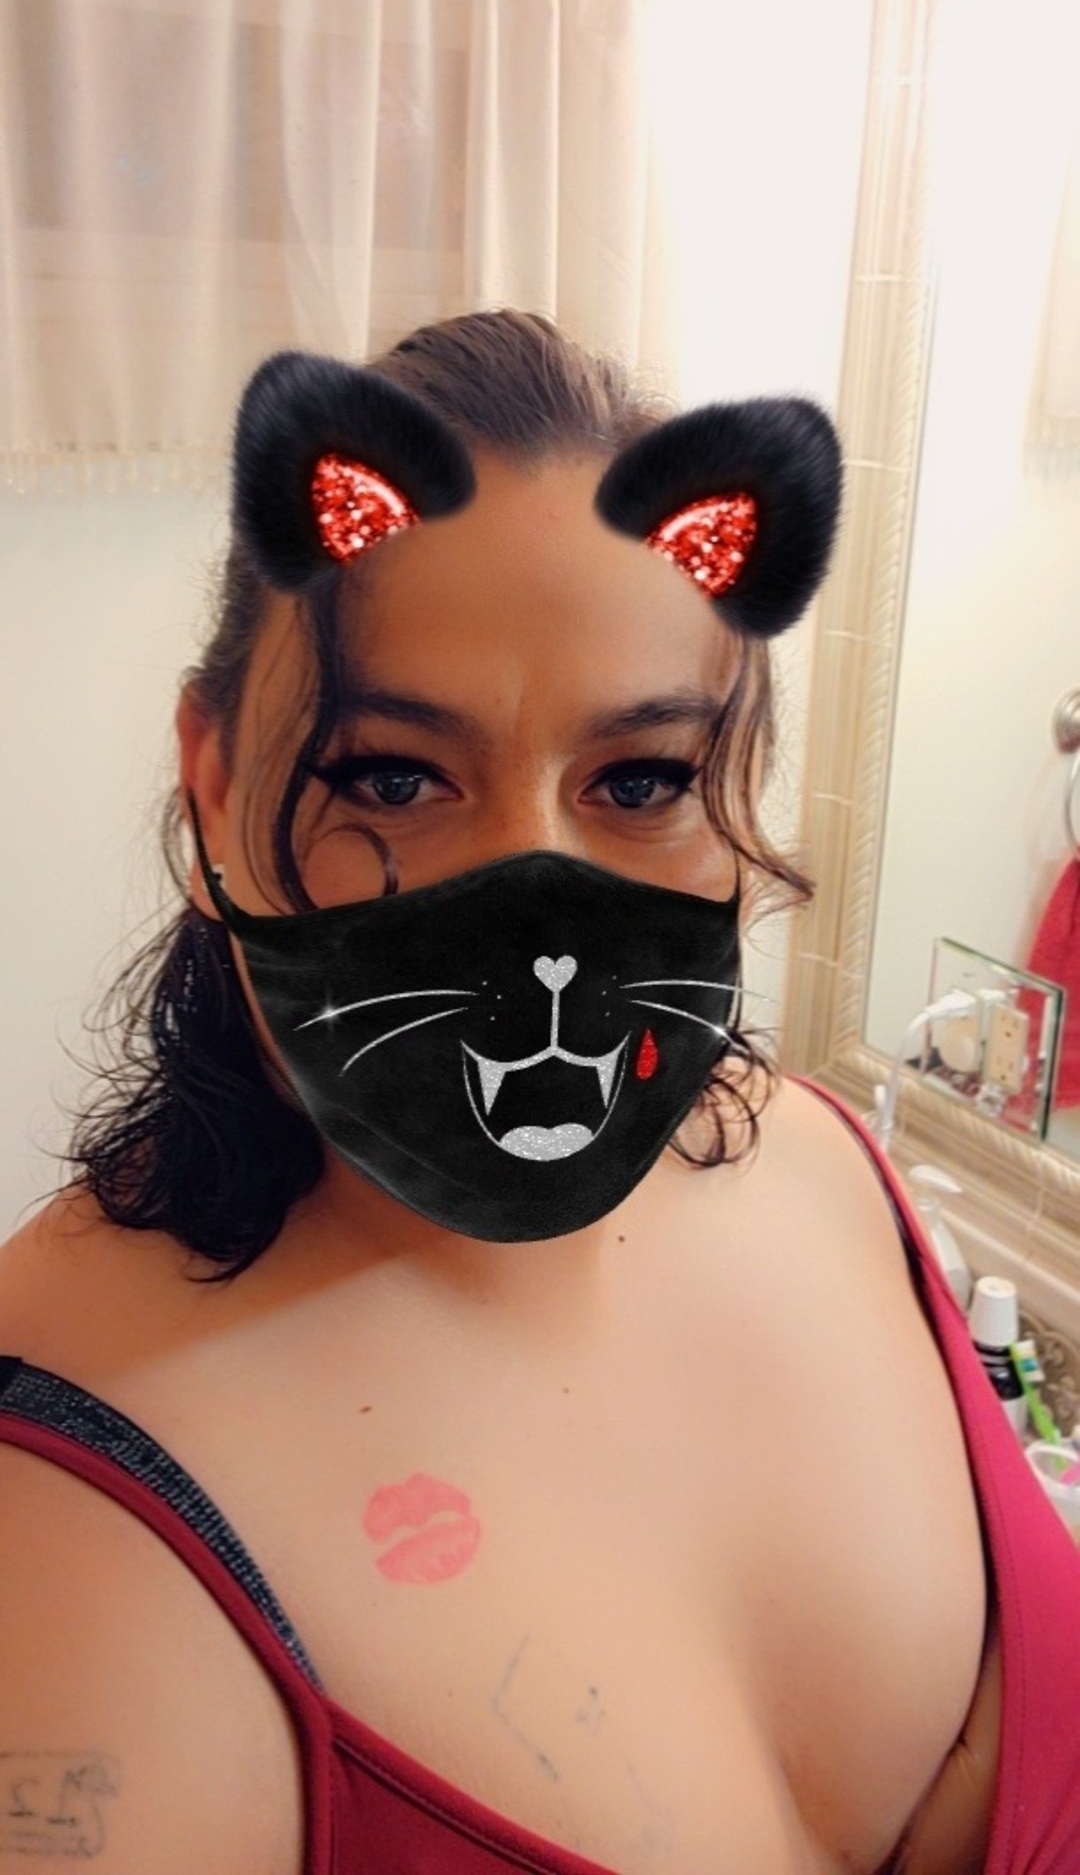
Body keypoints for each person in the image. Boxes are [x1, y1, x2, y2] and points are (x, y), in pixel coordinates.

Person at [0, 310, 1076, 1875]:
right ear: (216, 782)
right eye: (394, 776)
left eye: (638, 781)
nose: (540, 927)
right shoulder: (65, 1537)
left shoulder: (829, 1168)